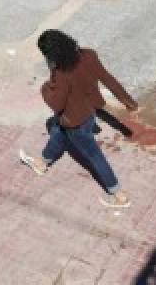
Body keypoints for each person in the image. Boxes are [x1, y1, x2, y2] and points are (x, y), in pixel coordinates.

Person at [19, 29, 138, 208]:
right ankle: (42, 162)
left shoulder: (61, 75)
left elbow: (57, 105)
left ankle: (119, 195)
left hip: (75, 121)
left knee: (94, 155)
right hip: (90, 112)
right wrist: (130, 103)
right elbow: (109, 79)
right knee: (59, 131)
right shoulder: (89, 55)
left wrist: (45, 87)